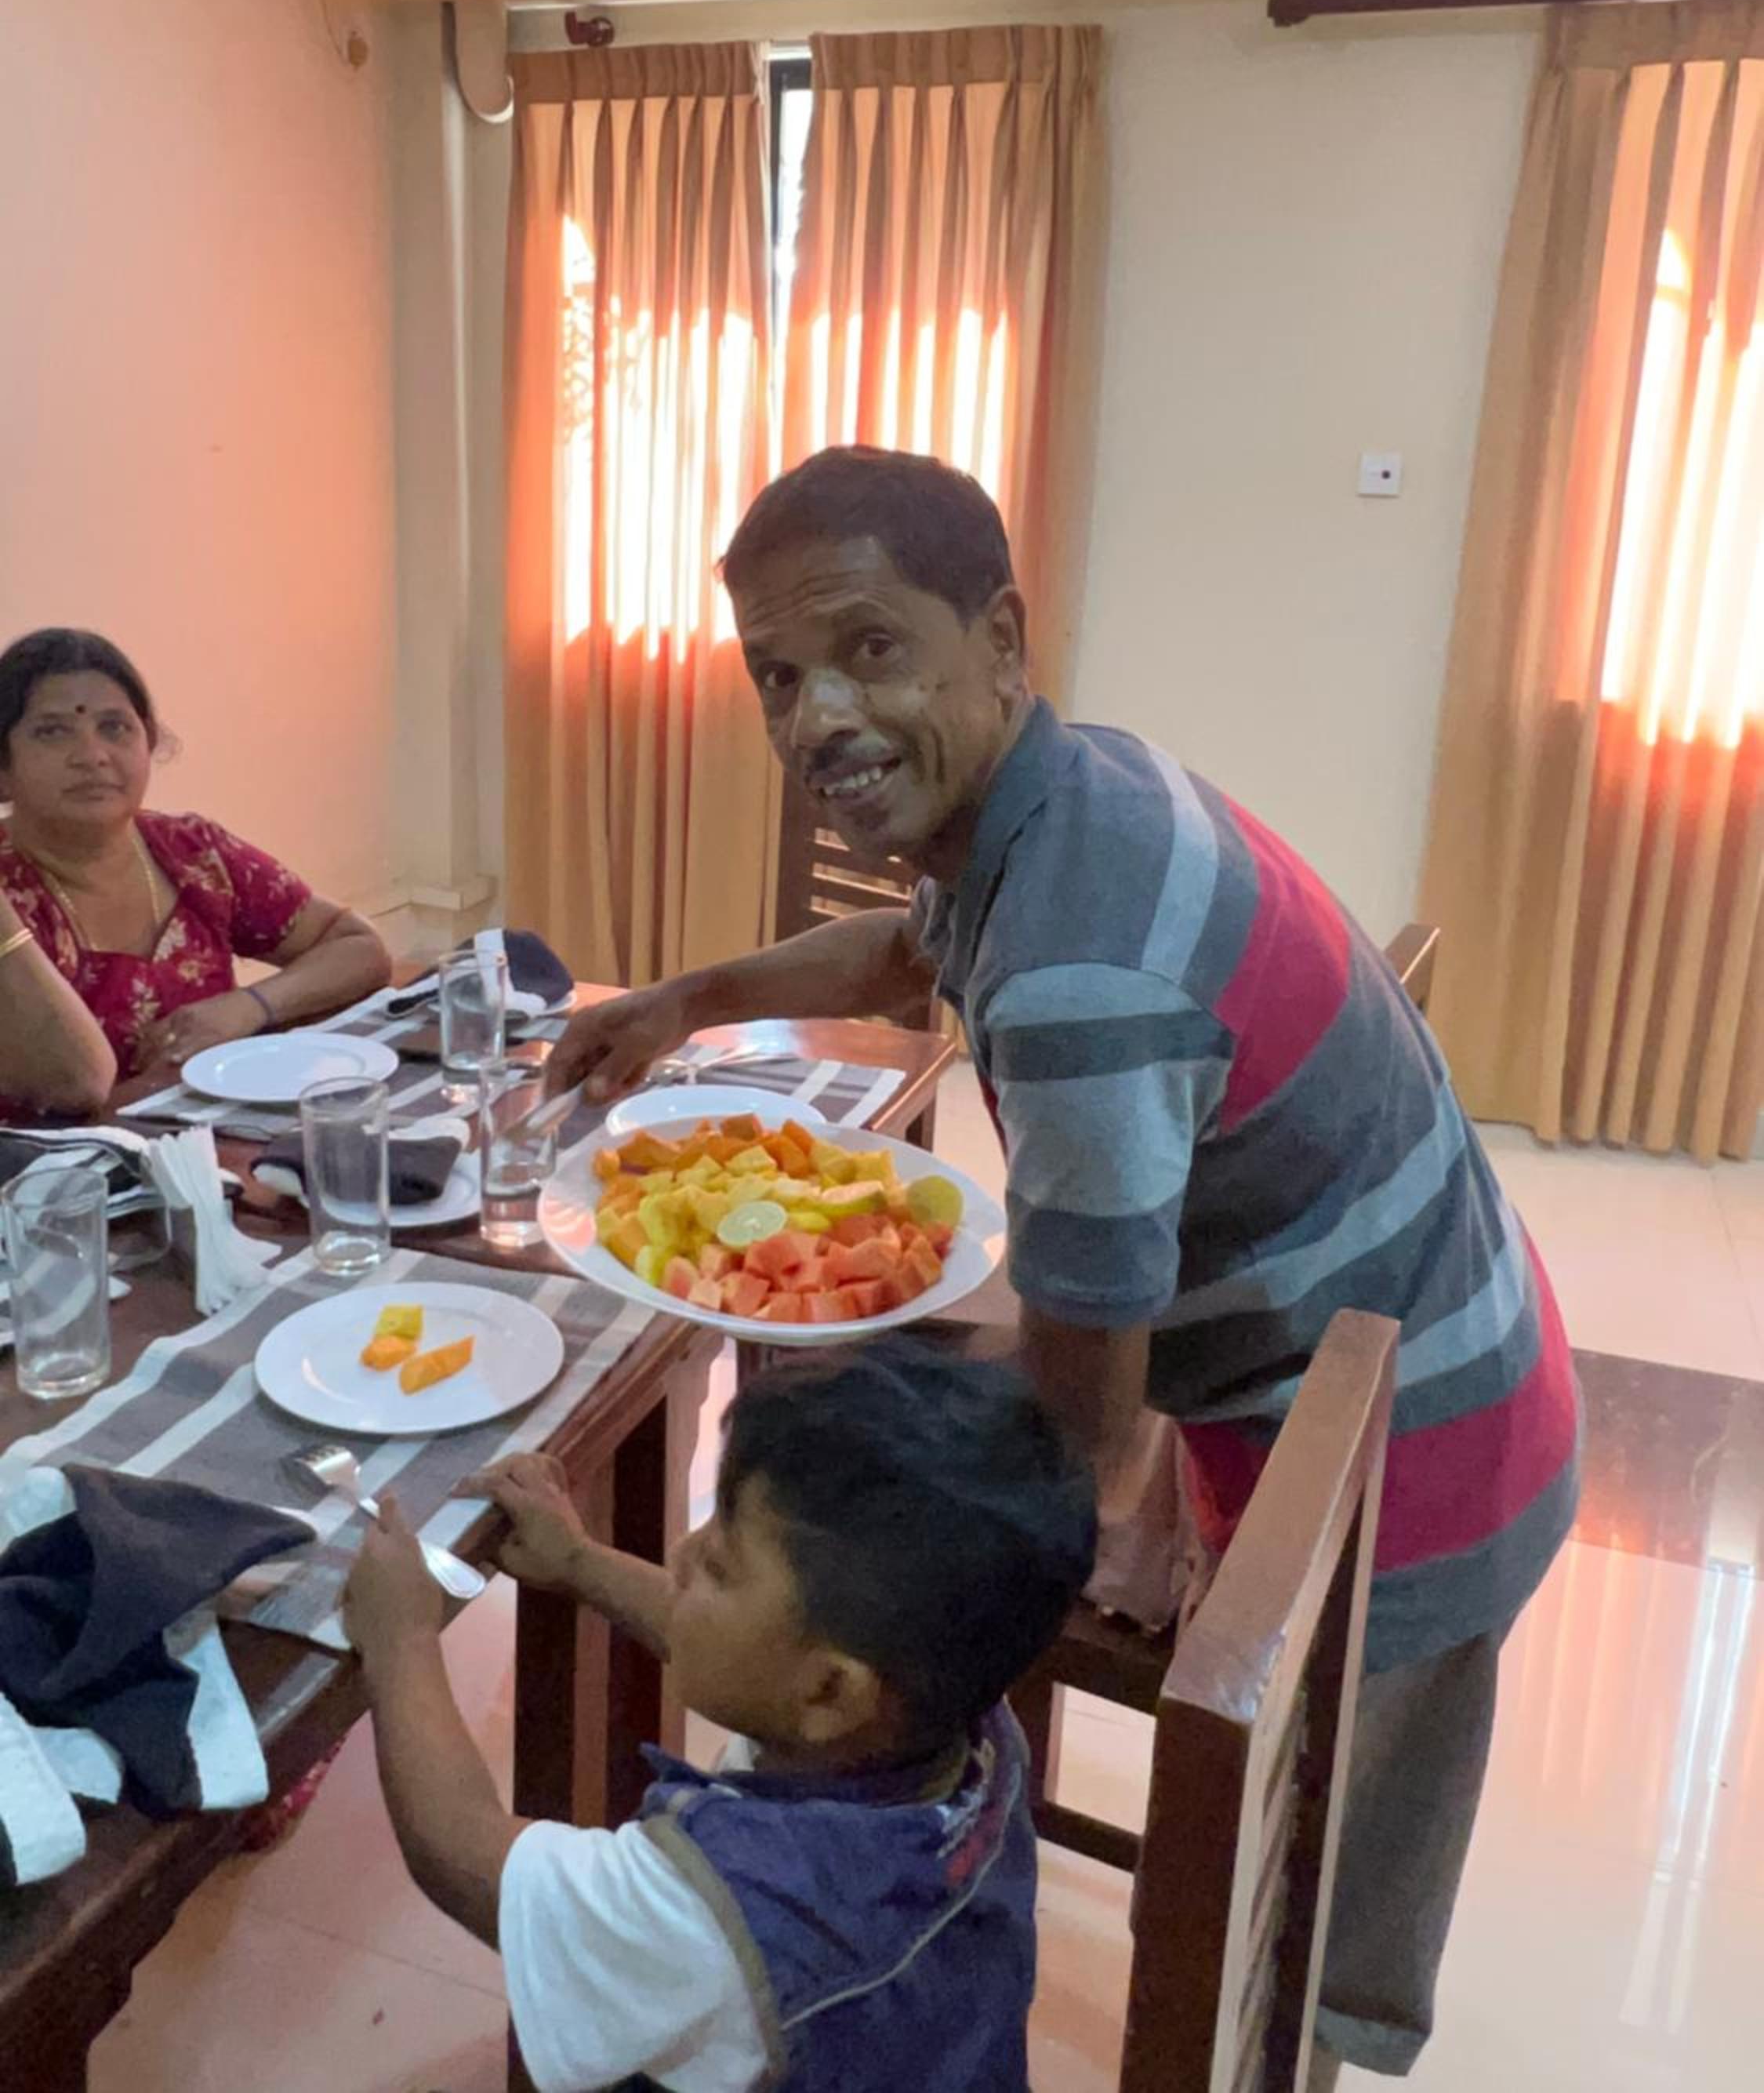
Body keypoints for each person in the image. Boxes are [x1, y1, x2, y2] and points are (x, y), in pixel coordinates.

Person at [546, 445, 1584, 2088]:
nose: (818, 719)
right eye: (779, 677)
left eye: (871, 649)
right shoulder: (1065, 794)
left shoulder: (1081, 977)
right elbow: (904, 949)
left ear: (1002, 639)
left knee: (1290, 1936)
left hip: (1411, 1475)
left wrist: (839, 1611)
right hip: (1376, 1357)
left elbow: (1084, 1437)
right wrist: (686, 1000)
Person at [343, 1338, 1097, 2093]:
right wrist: (580, 1562)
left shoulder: (722, 1912)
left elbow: (460, 1852)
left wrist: (401, 1640)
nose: (680, 1554)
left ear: (831, 1694)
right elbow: (750, 1658)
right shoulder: (965, 1721)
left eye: (721, 1565)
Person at [0, 628, 390, 1117]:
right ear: (3, 769)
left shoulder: (192, 853)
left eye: (115, 727)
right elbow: (77, 1085)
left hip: (215, 1146)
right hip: (54, 1161)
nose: (93, 755)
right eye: (52, 732)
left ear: (149, 744)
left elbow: (359, 947)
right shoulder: (9, 890)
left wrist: (248, 1007)